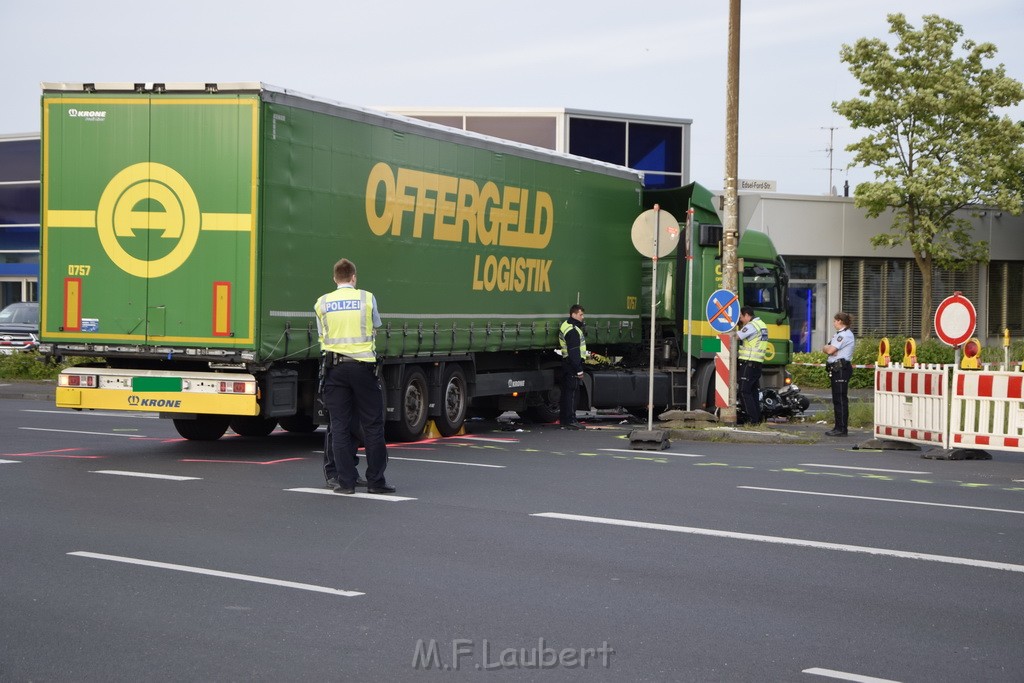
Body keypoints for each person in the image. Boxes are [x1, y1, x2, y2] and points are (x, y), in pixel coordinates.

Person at [315, 258, 394, 494]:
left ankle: (345, 482)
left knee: (338, 426)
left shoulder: (322, 303)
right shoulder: (367, 298)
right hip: (363, 368)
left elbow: (323, 334)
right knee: (372, 425)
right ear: (354, 277)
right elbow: (376, 325)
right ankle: (375, 482)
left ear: (334, 278)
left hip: (335, 369)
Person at [823, 311, 855, 436]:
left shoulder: (844, 335)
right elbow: (827, 349)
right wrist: (828, 349)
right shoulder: (839, 335)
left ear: (840, 321)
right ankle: (838, 426)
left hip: (841, 369)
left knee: (840, 399)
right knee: (837, 399)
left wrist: (828, 349)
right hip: (836, 369)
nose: (833, 323)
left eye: (835, 321)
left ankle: (842, 428)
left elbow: (830, 349)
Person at [736, 306, 769, 424]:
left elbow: (736, 336)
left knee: (744, 391)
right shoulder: (762, 324)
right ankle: (757, 419)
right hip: (757, 363)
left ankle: (751, 419)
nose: (740, 320)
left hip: (749, 363)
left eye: (740, 317)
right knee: (753, 392)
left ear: (746, 315)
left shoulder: (751, 326)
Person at [558, 304, 587, 429]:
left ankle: (565, 419)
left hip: (566, 363)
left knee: (567, 393)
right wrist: (579, 370)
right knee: (573, 393)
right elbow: (574, 352)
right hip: (572, 365)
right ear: (573, 314)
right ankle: (571, 420)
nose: (582, 317)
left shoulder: (566, 326)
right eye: (581, 314)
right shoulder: (573, 331)